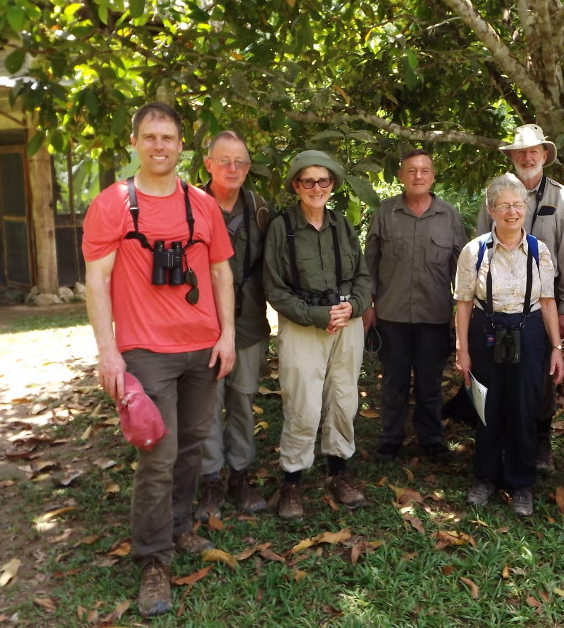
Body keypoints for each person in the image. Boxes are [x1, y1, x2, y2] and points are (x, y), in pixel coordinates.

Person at [82, 102, 236, 617]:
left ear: (181, 145)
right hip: (146, 351)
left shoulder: (202, 204)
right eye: (149, 137)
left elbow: (221, 275)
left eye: (167, 137)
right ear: (134, 143)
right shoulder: (112, 204)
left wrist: (228, 335)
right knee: (159, 453)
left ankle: (179, 527)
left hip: (202, 346)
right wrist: (109, 353)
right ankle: (152, 559)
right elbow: (98, 281)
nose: (159, 146)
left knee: (192, 443)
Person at [263, 150, 372, 521]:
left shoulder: (343, 224)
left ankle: (338, 473)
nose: (316, 188)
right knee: (303, 403)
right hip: (302, 324)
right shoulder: (282, 228)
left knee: (344, 399)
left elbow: (363, 276)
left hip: (345, 322)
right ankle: (292, 480)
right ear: (296, 185)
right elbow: (274, 288)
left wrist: (353, 307)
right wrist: (315, 315)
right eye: (307, 181)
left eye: (323, 181)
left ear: (332, 185)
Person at [454, 173, 564, 517]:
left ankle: (521, 483)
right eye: (504, 205)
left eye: (518, 205)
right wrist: (462, 348)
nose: (512, 212)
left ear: (526, 208)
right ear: (491, 210)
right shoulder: (474, 251)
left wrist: (557, 348)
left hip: (528, 331)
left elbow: (547, 301)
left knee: (523, 406)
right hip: (486, 328)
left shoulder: (538, 250)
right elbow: (463, 303)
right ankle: (485, 477)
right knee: (486, 405)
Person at [475, 124, 564, 473]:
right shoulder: (494, 194)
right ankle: (501, 442)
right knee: (499, 374)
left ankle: (541, 439)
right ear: (512, 157)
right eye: (520, 151)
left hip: (541, 307)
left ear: (545, 155)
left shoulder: (561, 198)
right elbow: (479, 248)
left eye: (534, 150)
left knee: (540, 377)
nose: (527, 156)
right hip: (498, 308)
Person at [363, 149, 468, 462]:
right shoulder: (385, 212)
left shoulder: (449, 215)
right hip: (391, 314)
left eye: (424, 170)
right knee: (393, 380)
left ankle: (431, 439)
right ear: (401, 176)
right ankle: (390, 439)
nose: (418, 176)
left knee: (429, 381)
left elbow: (463, 269)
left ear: (433, 176)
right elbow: (369, 263)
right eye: (411, 171)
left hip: (434, 315)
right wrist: (368, 305)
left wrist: (458, 314)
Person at [195, 131, 272, 522]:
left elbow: (271, 269)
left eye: (240, 162)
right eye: (224, 161)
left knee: (242, 398)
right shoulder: (187, 204)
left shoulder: (259, 208)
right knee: (207, 403)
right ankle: (210, 478)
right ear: (208, 164)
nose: (232, 168)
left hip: (248, 322)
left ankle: (239, 474)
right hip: (198, 324)